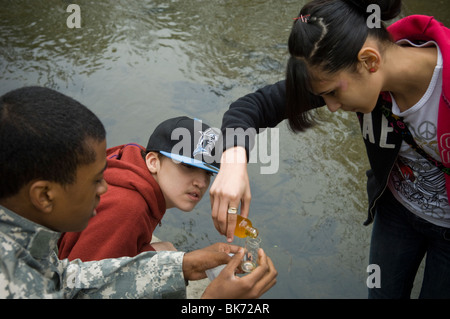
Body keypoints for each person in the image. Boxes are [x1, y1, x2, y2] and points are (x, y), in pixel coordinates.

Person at [210, 0, 450, 298]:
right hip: (397, 212)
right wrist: (233, 162)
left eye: (333, 93)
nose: (332, 106)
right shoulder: (344, 68)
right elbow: (251, 107)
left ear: (370, 62)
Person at [0, 86, 277, 299]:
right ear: (45, 196)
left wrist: (185, 265)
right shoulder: (126, 207)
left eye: (207, 173)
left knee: (167, 252)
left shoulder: (25, 243)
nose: (106, 187)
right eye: (96, 180)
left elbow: (65, 279)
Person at [58, 116, 220, 261]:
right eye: (187, 166)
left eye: (208, 173)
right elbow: (78, 287)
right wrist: (154, 259)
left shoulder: (127, 164)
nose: (201, 183)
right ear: (153, 162)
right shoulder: (128, 208)